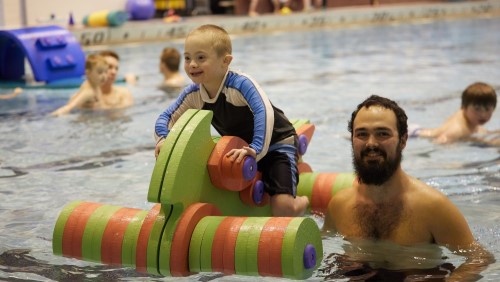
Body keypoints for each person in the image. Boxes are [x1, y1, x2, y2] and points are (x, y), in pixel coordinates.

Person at [323, 95, 494, 280]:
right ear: (352, 140)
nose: (371, 143)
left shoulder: (432, 206)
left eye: (383, 134)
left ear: (403, 140)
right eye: (362, 134)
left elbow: (480, 258)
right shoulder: (339, 206)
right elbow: (320, 247)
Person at [154, 24, 309, 217]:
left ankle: (302, 200)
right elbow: (166, 118)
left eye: (201, 57)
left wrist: (257, 148)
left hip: (276, 144)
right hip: (243, 151)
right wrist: (163, 138)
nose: (192, 64)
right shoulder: (194, 94)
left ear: (225, 61)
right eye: (187, 58)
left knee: (283, 208)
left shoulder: (239, 84)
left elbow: (264, 112)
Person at [412, 82, 497, 145]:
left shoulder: (470, 119)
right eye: (477, 109)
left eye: (487, 109)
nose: (483, 114)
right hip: (413, 136)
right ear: (463, 107)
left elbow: (477, 131)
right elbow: (439, 142)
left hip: (417, 130)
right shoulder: (457, 130)